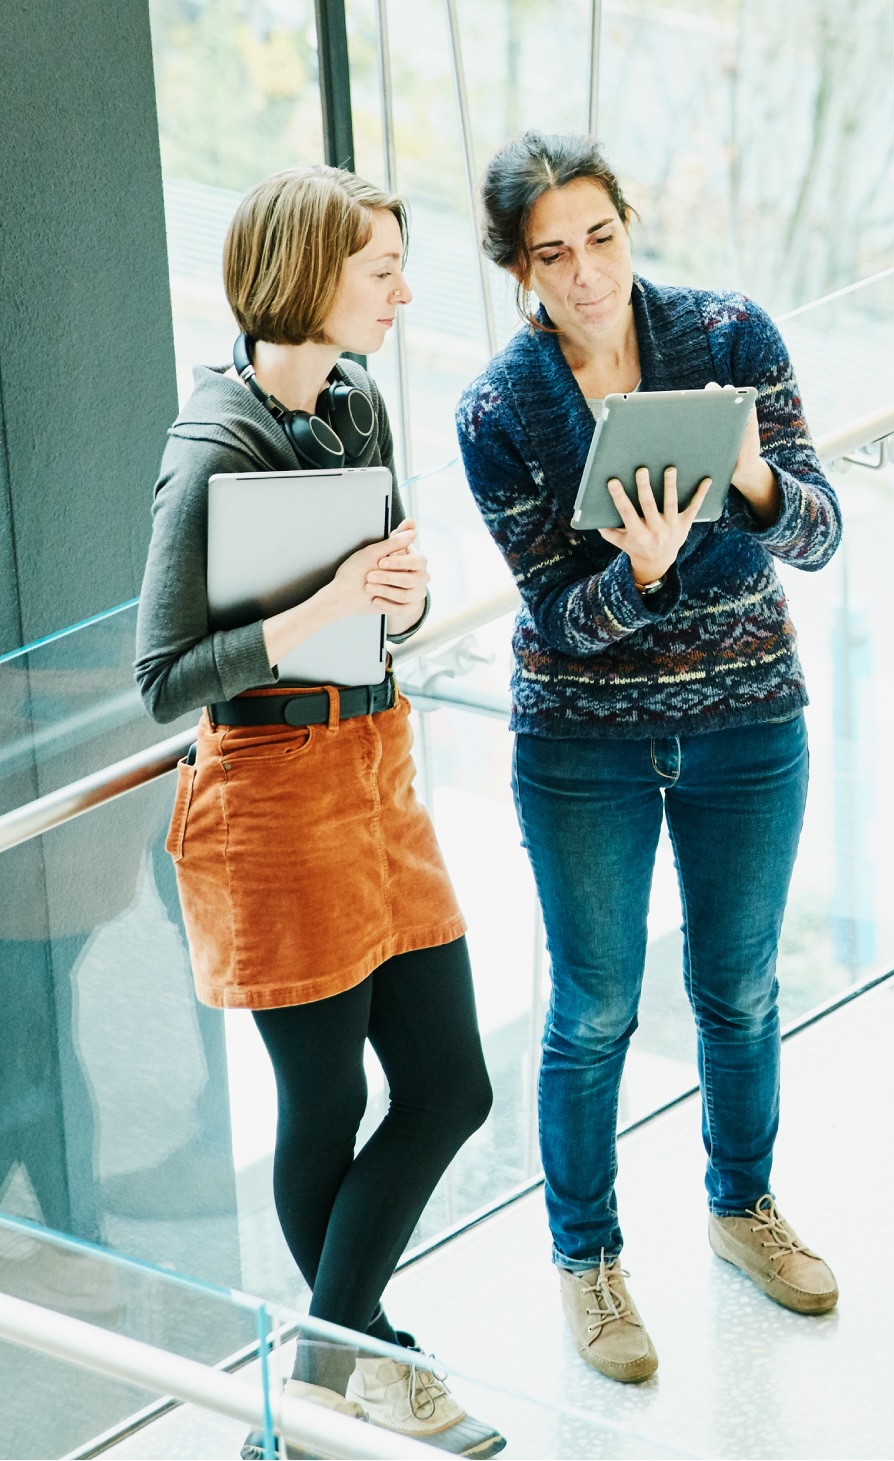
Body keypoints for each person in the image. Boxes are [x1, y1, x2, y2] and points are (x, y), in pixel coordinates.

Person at [456, 131, 844, 1385]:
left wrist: (755, 483)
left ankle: (743, 1208)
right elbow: (552, 620)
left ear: (630, 223)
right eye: (551, 256)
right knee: (596, 1011)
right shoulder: (497, 410)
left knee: (737, 988)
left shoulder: (731, 337)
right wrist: (642, 575)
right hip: (582, 750)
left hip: (747, 722)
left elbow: (822, 531)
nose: (584, 275)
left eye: (601, 239)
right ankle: (590, 1261)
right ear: (518, 269)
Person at [134, 166, 504, 1459]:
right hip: (275, 795)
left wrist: (395, 596)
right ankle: (365, 1367)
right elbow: (160, 679)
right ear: (305, 279)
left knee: (451, 1085)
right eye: (380, 272)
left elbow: (383, 605)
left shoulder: (355, 402)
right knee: (325, 1103)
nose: (404, 292)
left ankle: (317, 1380)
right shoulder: (213, 448)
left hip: (377, 767)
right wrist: (313, 614)